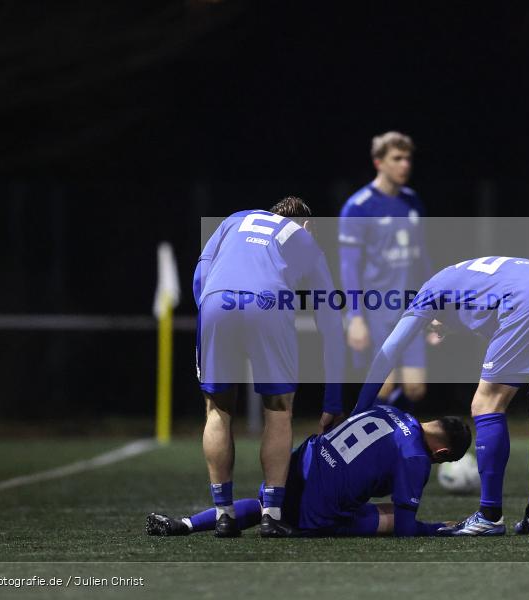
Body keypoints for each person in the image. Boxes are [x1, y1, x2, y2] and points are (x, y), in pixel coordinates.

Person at [353, 257, 529, 536]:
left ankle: (490, 516)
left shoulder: (429, 291)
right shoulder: (466, 281)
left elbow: (388, 351)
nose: (434, 328)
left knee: (486, 404)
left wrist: (357, 413)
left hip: (528, 301)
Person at [193, 197, 345, 538]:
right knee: (278, 409)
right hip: (268, 303)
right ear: (308, 225)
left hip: (216, 300)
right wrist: (333, 400)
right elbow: (331, 324)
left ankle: (224, 514)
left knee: (217, 409)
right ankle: (271, 515)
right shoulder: (304, 238)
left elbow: (200, 276)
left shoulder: (235, 218)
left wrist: (211, 314)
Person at [146, 406, 472, 537]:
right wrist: (438, 528)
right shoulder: (415, 455)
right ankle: (307, 521)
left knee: (266, 507)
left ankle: (186, 524)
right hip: (319, 507)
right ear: (442, 453)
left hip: (294, 472)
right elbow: (405, 528)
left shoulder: (388, 409)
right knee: (391, 516)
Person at [338, 131, 433, 412]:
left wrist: (435, 305)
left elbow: (423, 258)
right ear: (379, 162)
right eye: (397, 158)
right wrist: (355, 317)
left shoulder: (412, 201)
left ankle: (399, 431)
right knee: (384, 385)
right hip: (376, 309)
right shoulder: (359, 207)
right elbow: (349, 266)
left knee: (416, 388)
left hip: (411, 307)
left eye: (408, 159)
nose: (405, 165)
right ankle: (380, 436)